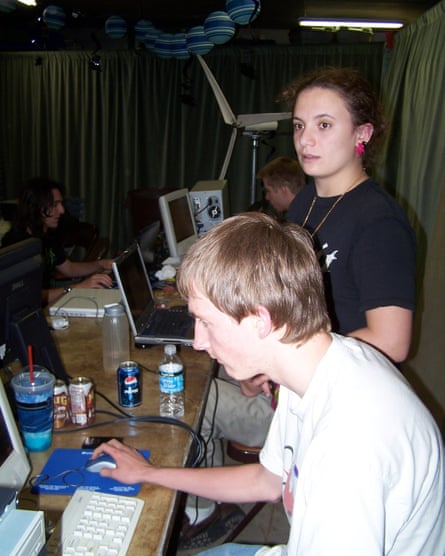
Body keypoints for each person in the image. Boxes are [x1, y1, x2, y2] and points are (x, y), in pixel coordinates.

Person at [92, 212, 445, 556]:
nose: (198, 341)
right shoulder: (312, 366)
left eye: (206, 322)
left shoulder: (348, 449)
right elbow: (265, 480)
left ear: (261, 320)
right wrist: (151, 473)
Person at [283, 67, 416, 364]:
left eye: (324, 125)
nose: (305, 140)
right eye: (299, 126)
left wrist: (290, 353)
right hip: (296, 373)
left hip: (343, 390)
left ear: (362, 133)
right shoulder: (304, 201)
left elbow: (391, 342)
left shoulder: (380, 223)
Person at [1, 177, 113, 305]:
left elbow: (69, 268)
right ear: (36, 207)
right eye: (54, 205)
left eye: (61, 204)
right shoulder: (17, 244)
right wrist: (77, 288)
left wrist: (101, 264)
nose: (62, 210)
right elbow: (27, 296)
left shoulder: (47, 235)